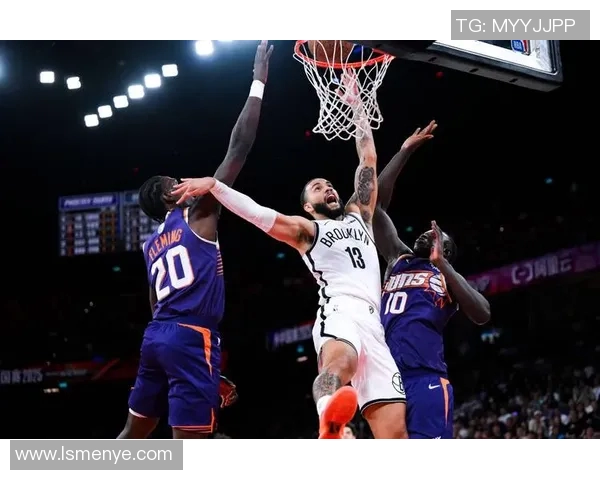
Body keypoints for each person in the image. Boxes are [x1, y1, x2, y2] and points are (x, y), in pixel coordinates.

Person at [171, 74, 408, 440]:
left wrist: (357, 105)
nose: (327, 187)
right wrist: (215, 186)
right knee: (339, 365)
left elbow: (368, 157)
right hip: (340, 311)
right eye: (317, 188)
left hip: (374, 322)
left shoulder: (359, 213)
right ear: (308, 206)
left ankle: (342, 429)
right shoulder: (306, 230)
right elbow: (258, 214)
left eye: (329, 184)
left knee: (396, 433)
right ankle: (328, 418)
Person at [117, 41, 273, 440]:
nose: (184, 180)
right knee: (190, 445)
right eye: (176, 181)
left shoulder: (151, 245)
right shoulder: (200, 212)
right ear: (170, 195)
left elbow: (155, 303)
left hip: (157, 337)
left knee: (134, 432)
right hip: (192, 335)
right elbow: (239, 147)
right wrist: (258, 80)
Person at [373, 121, 491, 439]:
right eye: (427, 232)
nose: (427, 233)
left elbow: (483, 313)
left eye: (437, 236)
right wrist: (404, 151)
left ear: (446, 251)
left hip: (425, 377)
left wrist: (443, 266)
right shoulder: (398, 259)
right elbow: (375, 206)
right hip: (385, 379)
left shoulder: (446, 277)